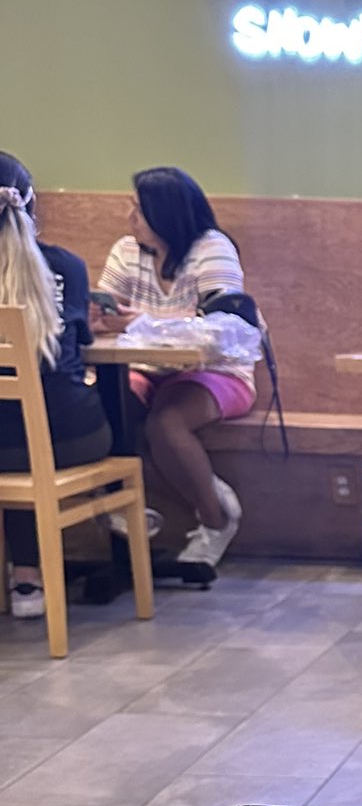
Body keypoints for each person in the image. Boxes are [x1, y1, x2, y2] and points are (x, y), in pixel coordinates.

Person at [95, 166, 249, 576]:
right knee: (107, 413)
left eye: (140, 210)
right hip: (143, 365)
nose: (131, 219)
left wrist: (139, 319)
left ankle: (214, 522)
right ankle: (141, 508)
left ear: (167, 214)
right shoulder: (127, 251)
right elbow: (105, 308)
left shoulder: (212, 248)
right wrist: (99, 314)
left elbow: (222, 324)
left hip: (220, 368)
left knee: (166, 422)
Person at [0, 152, 113, 619]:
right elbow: (79, 340)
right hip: (75, 438)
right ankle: (117, 534)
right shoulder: (67, 265)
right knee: (36, 425)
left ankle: (26, 578)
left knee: (12, 435)